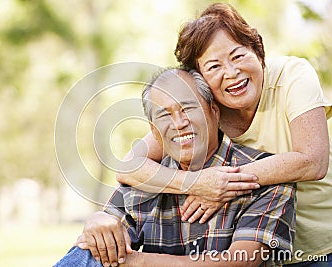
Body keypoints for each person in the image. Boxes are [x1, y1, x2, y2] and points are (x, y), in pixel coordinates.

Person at [116, 3, 332, 266]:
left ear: (258, 51)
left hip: (320, 246)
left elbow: (313, 160)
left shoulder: (293, 76)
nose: (231, 73)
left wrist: (220, 185)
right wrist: (195, 183)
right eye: (214, 66)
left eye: (238, 56)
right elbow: (129, 166)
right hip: (254, 244)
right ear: (201, 80)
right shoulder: (205, 112)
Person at [53, 68, 296, 267]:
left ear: (213, 112)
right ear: (153, 131)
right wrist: (99, 223)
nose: (179, 123)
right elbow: (104, 241)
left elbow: (240, 262)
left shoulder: (264, 175)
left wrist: (140, 262)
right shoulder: (146, 178)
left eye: (188, 109)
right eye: (164, 115)